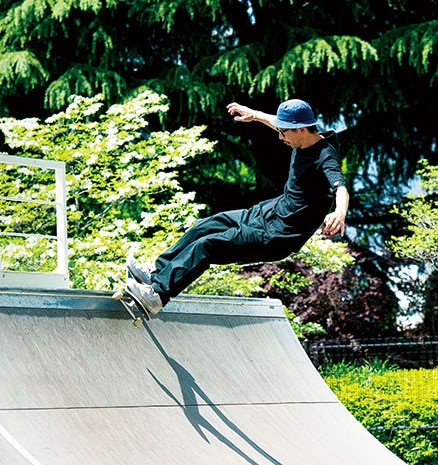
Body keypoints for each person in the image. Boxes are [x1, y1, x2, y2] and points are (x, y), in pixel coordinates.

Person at [125, 98, 350, 315]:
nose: (280, 137)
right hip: (265, 213)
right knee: (205, 225)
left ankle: (157, 296)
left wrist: (339, 212)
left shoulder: (325, 157)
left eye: (284, 132)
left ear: (300, 129)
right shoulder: (303, 134)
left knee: (208, 245)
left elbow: (340, 187)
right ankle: (156, 274)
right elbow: (275, 121)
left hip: (277, 235)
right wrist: (254, 115)